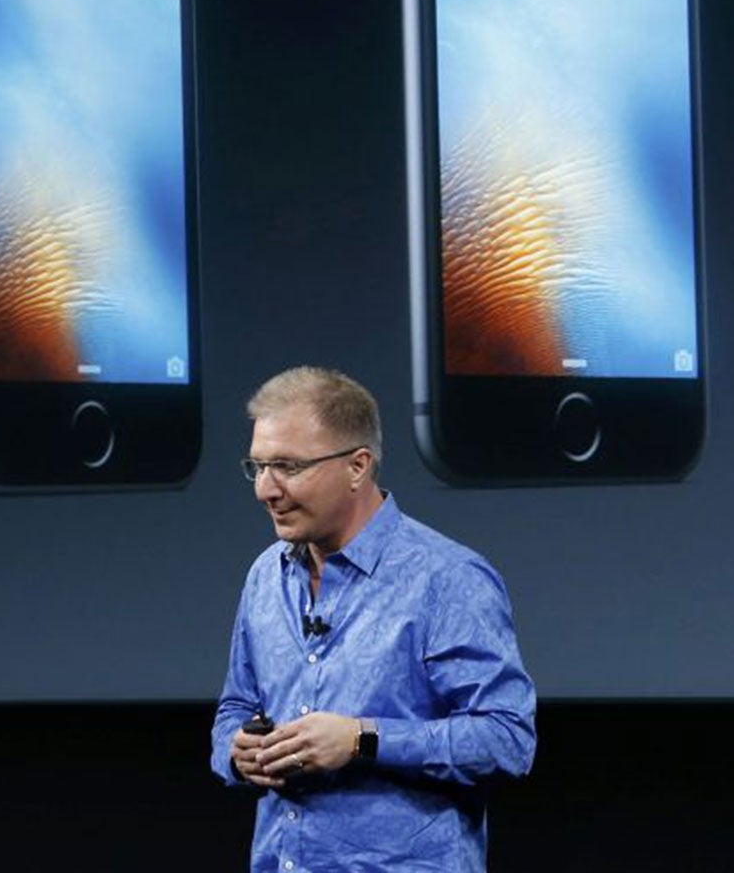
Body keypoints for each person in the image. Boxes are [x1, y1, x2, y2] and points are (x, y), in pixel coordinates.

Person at [211, 367, 536, 871]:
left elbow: (506, 740)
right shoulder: (264, 576)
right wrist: (237, 753)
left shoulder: (446, 578)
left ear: (358, 467)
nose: (265, 490)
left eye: (287, 467)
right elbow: (236, 706)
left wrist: (362, 740)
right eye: (257, 467)